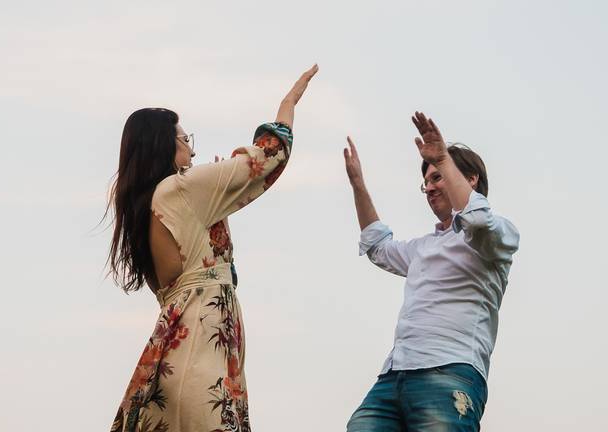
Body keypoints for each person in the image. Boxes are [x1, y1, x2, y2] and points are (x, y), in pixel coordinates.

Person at [107, 65, 318, 432]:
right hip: (200, 357)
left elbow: (189, 267)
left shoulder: (148, 205)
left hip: (176, 354)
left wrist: (217, 209)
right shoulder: (179, 188)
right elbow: (264, 159)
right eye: (185, 139)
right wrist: (288, 105)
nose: (191, 149)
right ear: (164, 145)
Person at [343, 112, 520, 431]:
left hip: (449, 370)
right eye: (425, 182)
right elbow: (378, 247)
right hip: (393, 377)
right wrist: (358, 185)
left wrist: (442, 156)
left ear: (471, 180)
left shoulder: (496, 235)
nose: (429, 187)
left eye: (437, 177)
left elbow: (477, 220)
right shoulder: (423, 247)